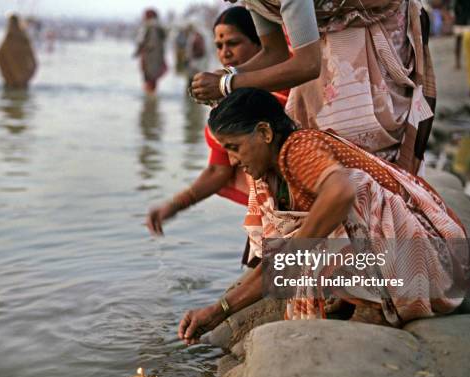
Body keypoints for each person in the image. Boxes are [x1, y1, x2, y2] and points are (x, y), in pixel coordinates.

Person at [177, 88, 470, 345]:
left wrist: (294, 255)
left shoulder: (298, 147)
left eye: (234, 148)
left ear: (266, 133)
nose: (232, 161)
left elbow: (342, 194)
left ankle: (373, 302)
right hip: (400, 256)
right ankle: (355, 295)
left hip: (435, 257)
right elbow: (275, 265)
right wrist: (217, 311)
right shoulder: (269, 178)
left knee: (348, 192)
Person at [190, 0, 436, 175]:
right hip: (325, 46)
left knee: (359, 139)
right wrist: (230, 74)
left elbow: (308, 65)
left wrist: (226, 84)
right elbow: (274, 52)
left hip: (373, 26)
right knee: (306, 138)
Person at [146, 6, 286, 235]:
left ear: (262, 44)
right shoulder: (229, 102)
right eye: (219, 46)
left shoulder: (293, 91)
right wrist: (173, 206)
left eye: (233, 43)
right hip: (267, 212)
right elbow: (218, 170)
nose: (225, 53)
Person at [0, 14, 38, 89]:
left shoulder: (23, 41)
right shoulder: (18, 41)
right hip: (15, 82)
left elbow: (35, 63)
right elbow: (35, 63)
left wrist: (8, 76)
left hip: (15, 83)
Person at [134, 9, 168, 94]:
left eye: (145, 16)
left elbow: (145, 43)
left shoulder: (149, 27)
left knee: (149, 80)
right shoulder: (159, 27)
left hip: (149, 59)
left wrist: (139, 51)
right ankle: (151, 103)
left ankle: (149, 102)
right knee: (153, 81)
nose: (143, 17)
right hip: (157, 58)